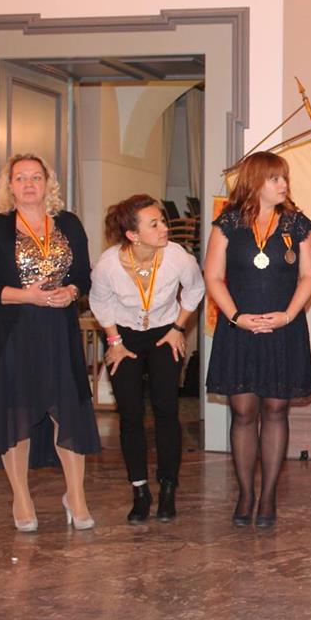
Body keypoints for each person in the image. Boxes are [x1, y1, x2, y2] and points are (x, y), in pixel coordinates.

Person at [0, 153, 100, 531]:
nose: (28, 184)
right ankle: (21, 498)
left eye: (35, 177)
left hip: (58, 331)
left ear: (47, 182)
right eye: (20, 178)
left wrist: (71, 292)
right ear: (9, 186)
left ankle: (76, 496)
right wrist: (28, 296)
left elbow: (84, 274)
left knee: (68, 410)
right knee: (16, 411)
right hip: (10, 333)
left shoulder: (68, 223)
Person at [205, 151, 311, 528]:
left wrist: (288, 315)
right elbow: (213, 277)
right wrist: (236, 317)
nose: (283, 184)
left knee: (275, 410)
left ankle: (268, 496)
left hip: (283, 329)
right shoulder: (227, 223)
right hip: (239, 329)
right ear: (255, 182)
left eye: (284, 178)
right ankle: (245, 494)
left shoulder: (298, 224)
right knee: (243, 412)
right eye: (275, 178)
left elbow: (309, 277)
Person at [89, 195, 205, 524]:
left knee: (166, 409)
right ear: (132, 234)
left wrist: (178, 327)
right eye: (154, 224)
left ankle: (168, 487)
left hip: (164, 334)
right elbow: (100, 301)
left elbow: (195, 290)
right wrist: (114, 341)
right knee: (130, 413)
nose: (164, 228)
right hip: (123, 337)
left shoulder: (178, 257)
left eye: (162, 221)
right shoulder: (108, 264)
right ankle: (139, 490)